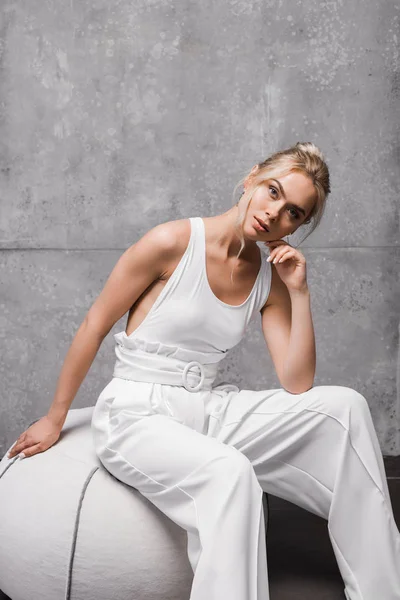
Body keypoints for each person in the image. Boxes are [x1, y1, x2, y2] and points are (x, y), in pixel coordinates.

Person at [7, 142, 400, 600]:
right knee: (232, 475)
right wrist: (56, 417)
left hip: (208, 409)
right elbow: (95, 324)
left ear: (299, 225)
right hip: (136, 413)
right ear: (251, 177)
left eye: (293, 212)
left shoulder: (269, 277)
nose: (275, 214)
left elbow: (297, 382)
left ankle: (382, 591)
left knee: (345, 409)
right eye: (272, 191)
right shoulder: (172, 242)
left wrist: (299, 291)